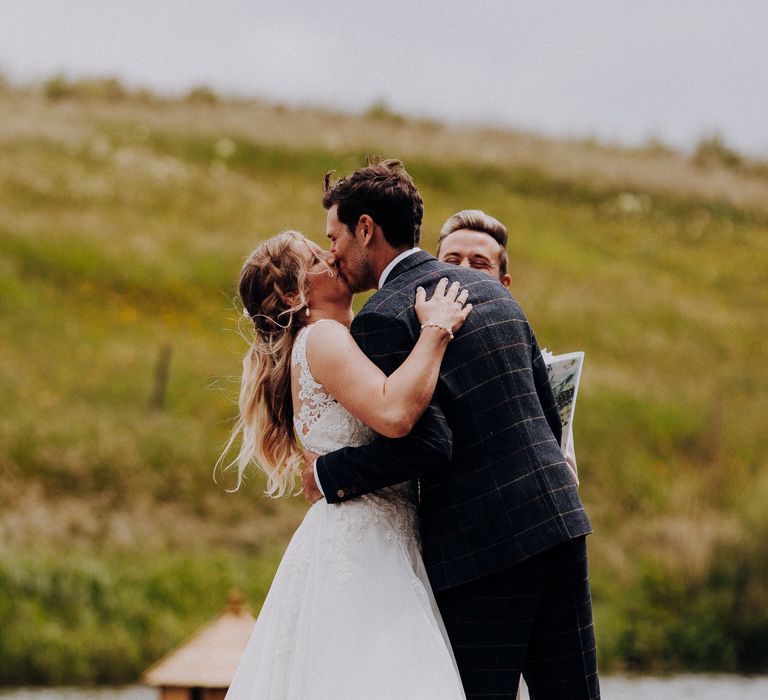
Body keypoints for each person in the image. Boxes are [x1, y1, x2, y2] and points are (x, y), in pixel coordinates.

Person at [302, 160, 599, 699]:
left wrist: (329, 474)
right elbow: (548, 410)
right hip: (559, 523)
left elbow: (429, 444)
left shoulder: (385, 317)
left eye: (336, 236)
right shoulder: (495, 293)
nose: (334, 254)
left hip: (481, 550)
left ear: (366, 229)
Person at [221, 229, 472, 699]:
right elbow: (394, 412)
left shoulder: (333, 339)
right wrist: (435, 332)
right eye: (315, 257)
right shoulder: (324, 337)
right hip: (363, 546)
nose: (332, 254)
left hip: (373, 530)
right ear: (297, 293)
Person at [437, 208, 579, 483]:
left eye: (479, 264)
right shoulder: (411, 347)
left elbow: (568, 478)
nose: (463, 271)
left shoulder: (535, 367)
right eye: (452, 261)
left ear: (504, 284)